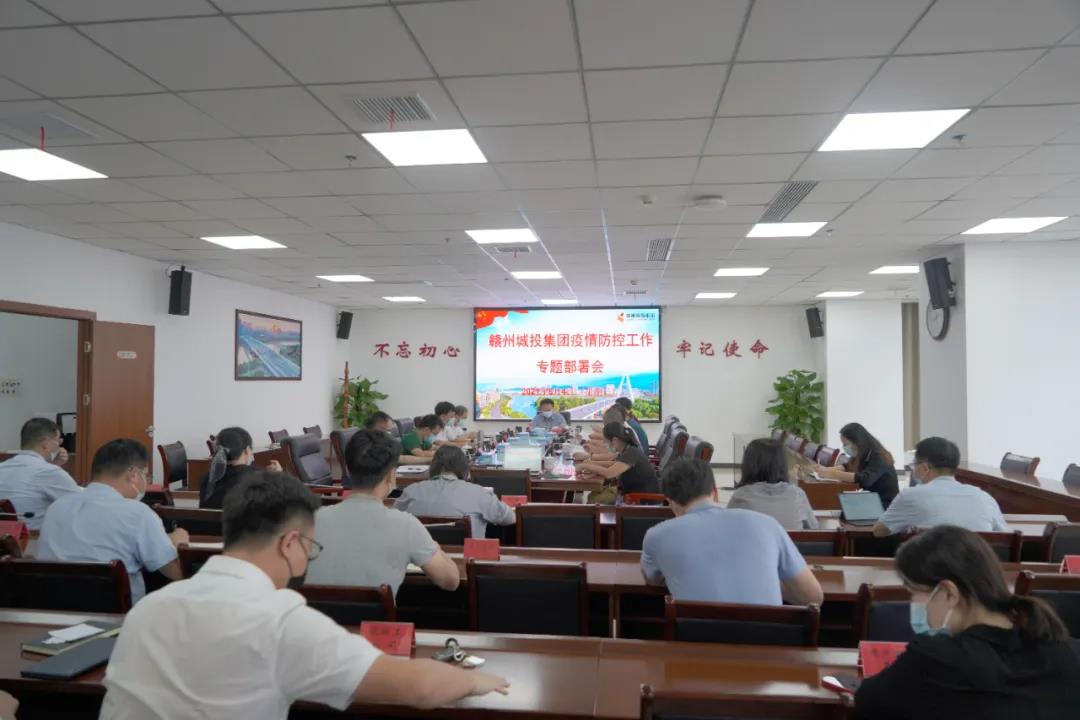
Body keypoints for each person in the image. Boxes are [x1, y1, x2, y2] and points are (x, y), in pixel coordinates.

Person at [99, 471, 508, 719]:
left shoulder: (148, 609)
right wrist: (475, 681)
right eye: (310, 547)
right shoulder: (280, 621)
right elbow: (419, 689)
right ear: (290, 543)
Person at [854, 525, 1079, 719]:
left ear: (949, 593)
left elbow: (867, 702)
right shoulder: (1068, 651)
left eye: (913, 592)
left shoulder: (935, 660)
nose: (913, 603)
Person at [641, 458, 823, 606]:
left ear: (670, 501)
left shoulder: (657, 536)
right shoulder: (767, 524)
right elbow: (813, 597)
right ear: (714, 491)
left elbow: (652, 579)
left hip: (697, 640)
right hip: (767, 638)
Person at [305, 429, 459, 596]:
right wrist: (433, 547)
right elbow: (450, 581)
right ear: (391, 475)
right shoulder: (406, 525)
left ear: (348, 470)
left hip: (312, 613)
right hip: (376, 614)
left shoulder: (309, 521)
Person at [38, 439, 189, 604]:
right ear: (133, 475)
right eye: (146, 475)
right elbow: (177, 572)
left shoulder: (56, 508)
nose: (146, 482)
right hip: (117, 616)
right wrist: (177, 543)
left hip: (53, 610)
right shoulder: (138, 513)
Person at [873, 437, 1008, 538]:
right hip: (976, 566)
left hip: (928, 567)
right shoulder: (984, 497)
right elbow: (1003, 534)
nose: (913, 469)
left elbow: (879, 531)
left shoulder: (910, 495)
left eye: (914, 464)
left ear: (925, 467)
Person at [395, 445, 515, 538]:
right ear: (464, 469)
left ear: (432, 467)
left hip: (418, 562)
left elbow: (393, 520)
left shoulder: (411, 491)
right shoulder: (479, 493)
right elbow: (510, 518)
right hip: (466, 561)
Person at [0, 417, 81, 530]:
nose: (59, 446)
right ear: (46, 443)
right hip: (33, 538)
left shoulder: (3, 467)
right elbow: (82, 506)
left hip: (6, 538)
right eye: (58, 441)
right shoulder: (49, 472)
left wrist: (53, 464)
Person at [728, 438, 818, 530]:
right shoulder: (797, 494)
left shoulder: (741, 495)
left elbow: (727, 528)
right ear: (782, 464)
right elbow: (814, 529)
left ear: (748, 464)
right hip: (790, 540)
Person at [808, 422, 899, 508]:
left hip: (885, 504)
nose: (844, 447)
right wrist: (825, 470)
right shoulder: (862, 454)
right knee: (843, 507)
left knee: (845, 508)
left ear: (857, 442)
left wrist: (833, 474)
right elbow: (847, 467)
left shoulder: (879, 456)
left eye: (846, 444)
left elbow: (865, 479)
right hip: (872, 499)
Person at [199, 426, 283, 509]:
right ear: (247, 450)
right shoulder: (260, 477)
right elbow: (281, 507)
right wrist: (277, 478)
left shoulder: (207, 478)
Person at [577, 422, 659, 504]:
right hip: (632, 495)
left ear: (615, 440)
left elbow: (609, 473)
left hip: (642, 500)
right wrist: (591, 466)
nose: (606, 445)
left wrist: (584, 466)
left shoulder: (630, 453)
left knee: (593, 500)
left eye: (606, 442)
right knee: (593, 495)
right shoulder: (628, 449)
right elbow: (613, 464)